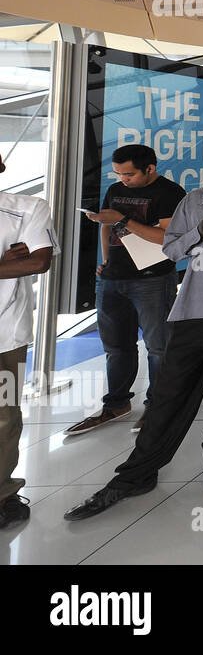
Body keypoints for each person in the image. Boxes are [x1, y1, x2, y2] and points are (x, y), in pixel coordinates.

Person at [63, 154, 203, 521]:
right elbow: (169, 249)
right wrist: (200, 232)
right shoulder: (193, 201)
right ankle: (136, 475)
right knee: (168, 394)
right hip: (192, 310)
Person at [68, 144, 186, 435]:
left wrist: (122, 220)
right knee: (116, 347)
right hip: (112, 278)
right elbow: (106, 227)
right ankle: (116, 404)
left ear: (150, 169)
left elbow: (169, 239)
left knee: (158, 347)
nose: (123, 180)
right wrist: (106, 261)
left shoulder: (170, 193)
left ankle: (157, 407)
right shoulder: (114, 189)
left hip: (153, 279)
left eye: (129, 174)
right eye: (119, 174)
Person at [0, 152, 57, 529]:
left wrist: (13, 262)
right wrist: (5, 263)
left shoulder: (28, 208)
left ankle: (2, 494)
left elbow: (39, 262)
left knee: (3, 417)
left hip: (6, 335)